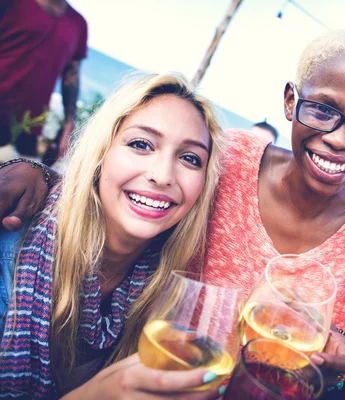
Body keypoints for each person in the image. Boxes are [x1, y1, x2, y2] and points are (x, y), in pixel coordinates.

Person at [0, 30, 345, 395]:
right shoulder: (228, 157)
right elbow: (128, 183)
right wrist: (38, 174)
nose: (340, 139)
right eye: (322, 110)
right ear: (291, 101)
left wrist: (339, 354)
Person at [0, 72, 227, 399]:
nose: (162, 175)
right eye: (140, 144)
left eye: (190, 158)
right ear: (101, 153)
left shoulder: (163, 299)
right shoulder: (13, 243)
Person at [0, 0, 87, 161]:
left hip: (30, 125)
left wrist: (69, 122)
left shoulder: (78, 24)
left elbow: (71, 74)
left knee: (25, 177)